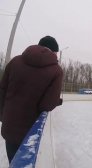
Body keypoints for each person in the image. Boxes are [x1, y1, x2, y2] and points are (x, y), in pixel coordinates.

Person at [0, 36, 63, 164]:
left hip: (9, 126)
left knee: (13, 162)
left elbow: (2, 90)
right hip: (29, 133)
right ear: (54, 52)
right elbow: (47, 104)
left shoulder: (15, 61)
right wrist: (56, 101)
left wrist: (3, 116)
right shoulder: (56, 71)